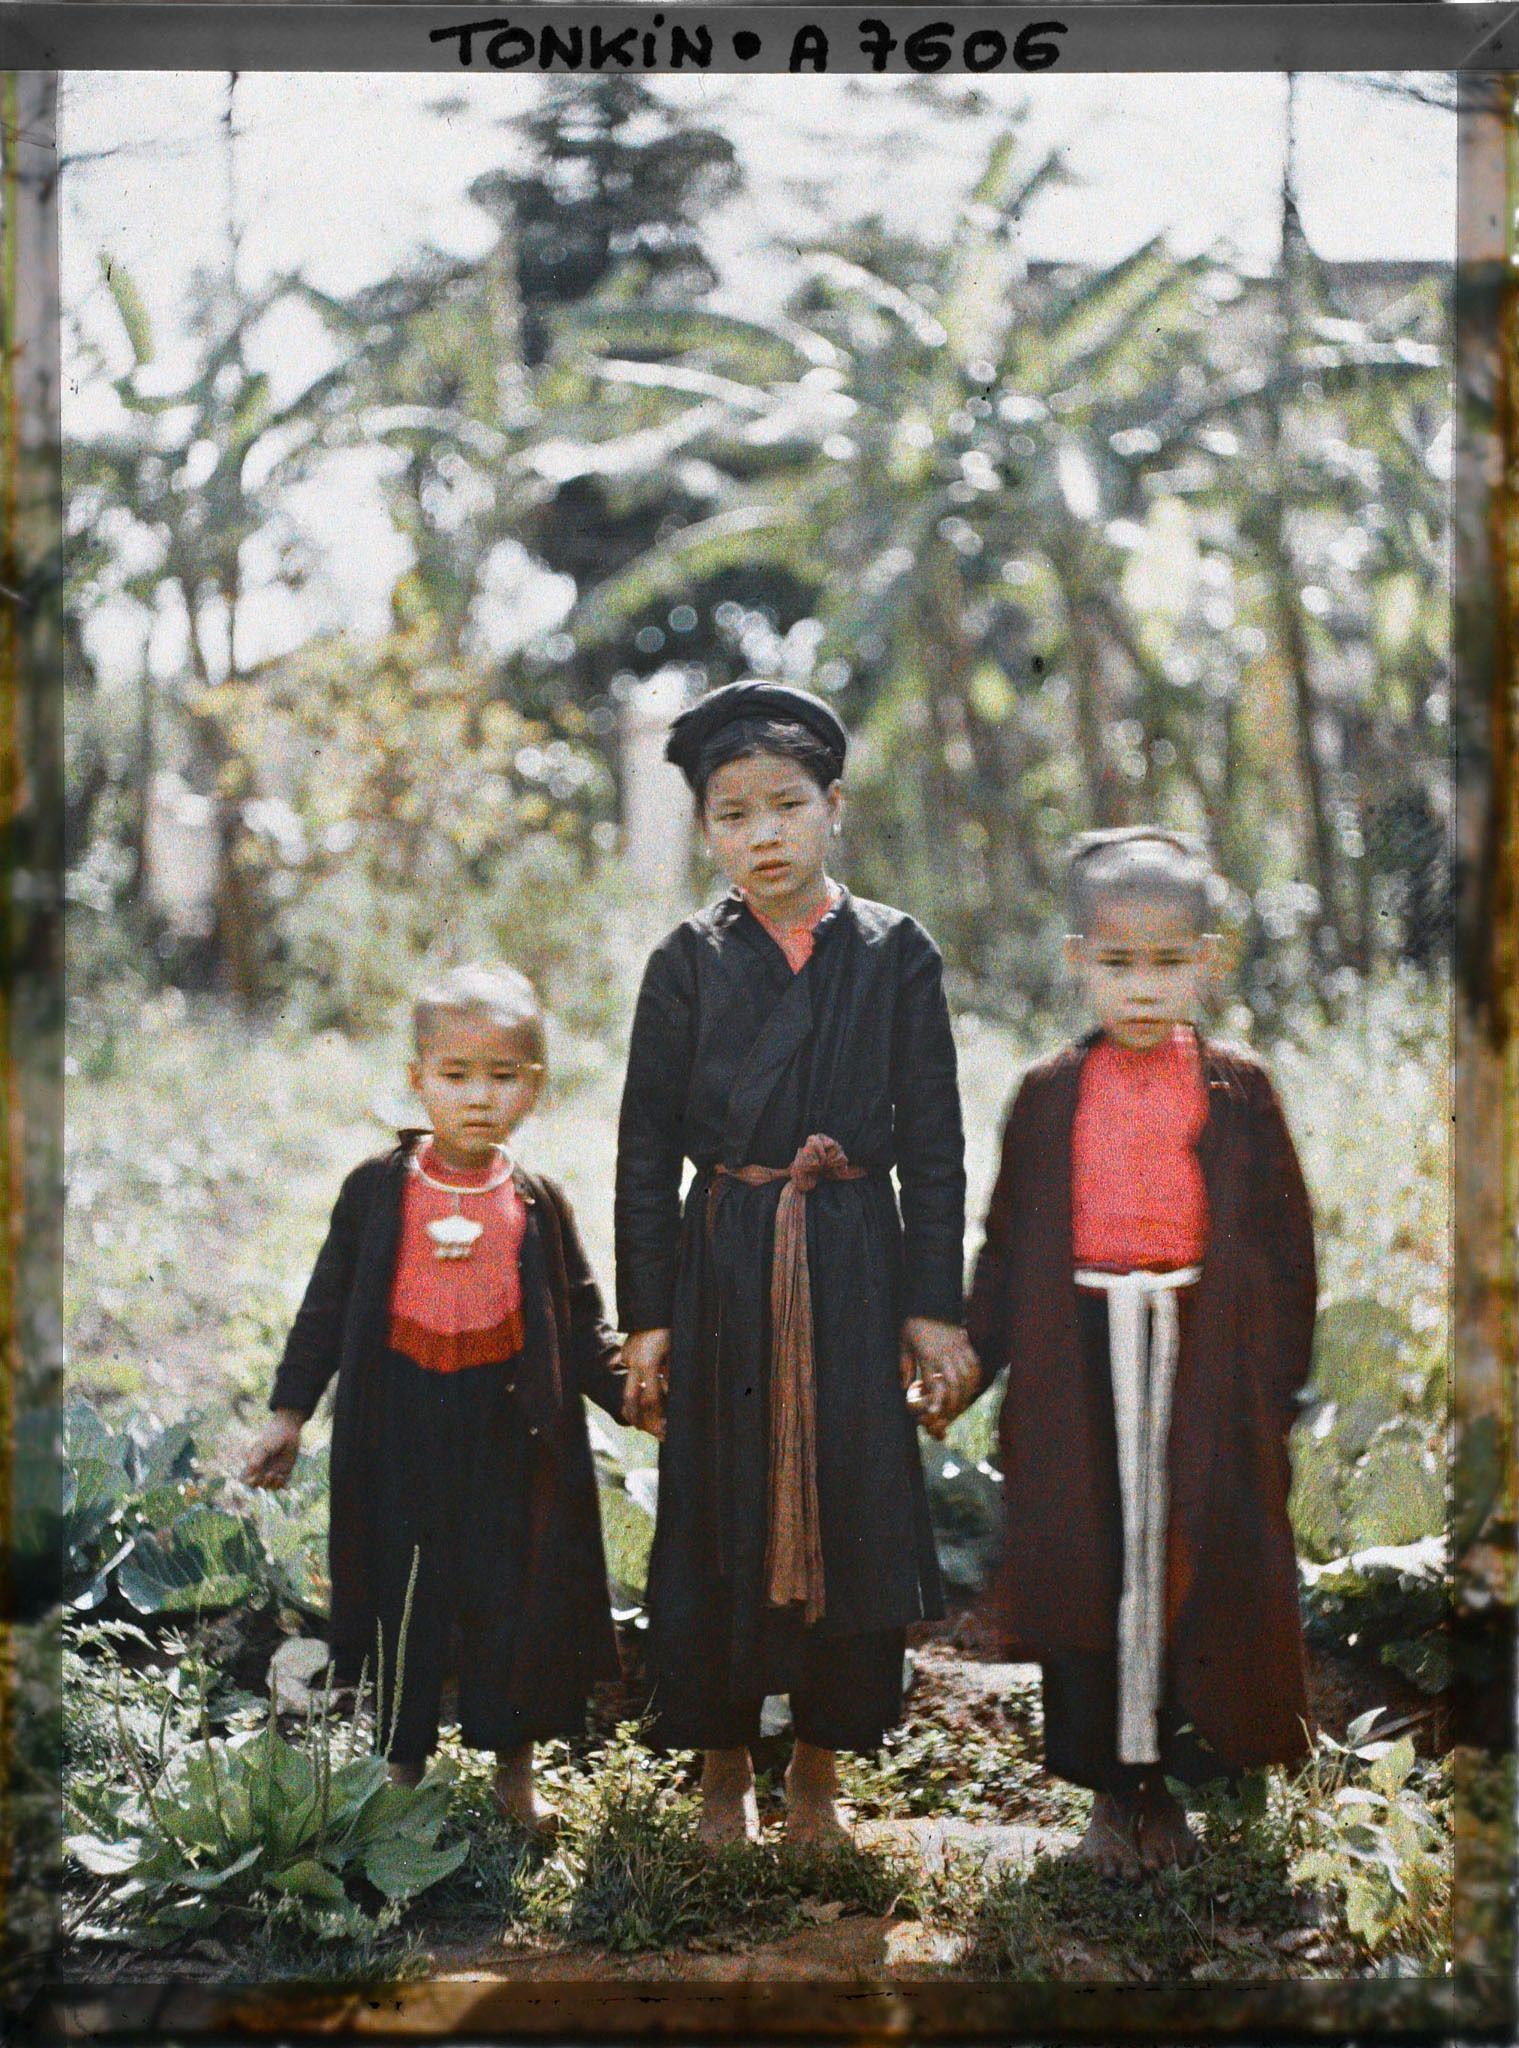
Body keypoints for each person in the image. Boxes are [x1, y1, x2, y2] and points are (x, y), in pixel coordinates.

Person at [615, 679, 981, 1850]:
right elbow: (640, 1150)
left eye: (785, 804)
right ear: (708, 829)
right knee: (716, 1509)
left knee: (855, 1503)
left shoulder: (894, 952)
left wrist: (931, 1306)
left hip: (849, 1258)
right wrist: (647, 1316)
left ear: (834, 806)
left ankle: (818, 1772)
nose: (761, 833)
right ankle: (721, 1771)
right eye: (732, 814)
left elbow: (933, 1141)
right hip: (721, 1262)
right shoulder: (682, 961)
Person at [966, 828, 1317, 1878]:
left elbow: (1288, 1245)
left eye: (1167, 961)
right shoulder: (1045, 1093)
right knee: (1091, 1567)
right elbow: (1007, 1240)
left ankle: (1180, 1789)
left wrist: (1274, 1385)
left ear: (1207, 961)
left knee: (1196, 1569)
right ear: (1078, 960)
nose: (1142, 986)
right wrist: (967, 1360)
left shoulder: (1238, 1087)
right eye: (1117, 962)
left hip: (1204, 1361)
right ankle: (1110, 1796)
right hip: (1078, 1362)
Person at [243, 965, 623, 1832]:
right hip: (398, 1430)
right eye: (456, 1076)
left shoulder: (536, 1201)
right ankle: (401, 1774)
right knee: (400, 1600)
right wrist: (287, 1414)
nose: (479, 1098)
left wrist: (632, 1395)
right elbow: (326, 1306)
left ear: (537, 1087)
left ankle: (514, 1783)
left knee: (510, 1600)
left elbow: (581, 1317)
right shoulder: (378, 1191)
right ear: (417, 1080)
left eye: (503, 1077)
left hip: (508, 1433)